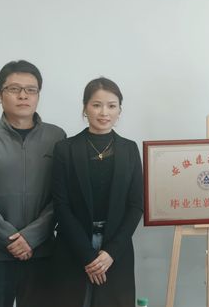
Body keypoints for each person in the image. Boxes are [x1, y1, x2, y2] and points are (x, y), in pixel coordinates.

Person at [0, 60, 66, 307]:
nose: (23, 96)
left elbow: (62, 197)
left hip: (42, 254)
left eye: (31, 90)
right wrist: (11, 239)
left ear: (38, 95)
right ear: (0, 96)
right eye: (14, 89)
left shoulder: (57, 137)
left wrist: (31, 237)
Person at [52, 77, 143, 307]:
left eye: (112, 106)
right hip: (73, 247)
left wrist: (110, 253)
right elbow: (61, 206)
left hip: (116, 249)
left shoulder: (130, 149)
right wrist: (88, 256)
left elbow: (136, 205)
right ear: (85, 108)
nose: (104, 112)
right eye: (96, 105)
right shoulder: (65, 149)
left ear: (120, 110)